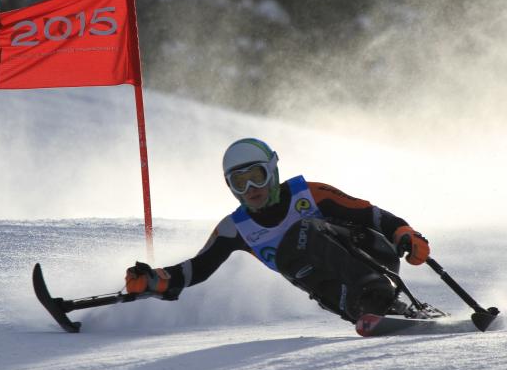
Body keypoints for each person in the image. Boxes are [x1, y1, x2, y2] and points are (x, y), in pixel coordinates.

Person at [124, 138, 431, 324]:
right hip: (340, 293)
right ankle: (364, 307)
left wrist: (404, 233)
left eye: (257, 176)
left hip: (372, 257)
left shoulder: (310, 193)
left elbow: (370, 215)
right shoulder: (235, 228)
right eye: (239, 182)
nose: (251, 189)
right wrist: (155, 279)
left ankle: (377, 294)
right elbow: (198, 268)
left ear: (272, 171)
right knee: (290, 257)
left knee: (302, 232)